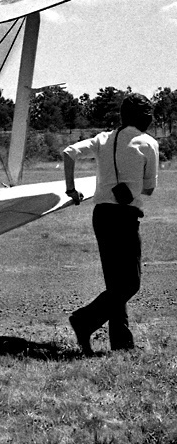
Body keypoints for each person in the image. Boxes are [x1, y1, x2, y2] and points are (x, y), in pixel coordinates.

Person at [62, 93, 159, 354]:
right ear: (144, 117)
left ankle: (122, 343)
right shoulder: (148, 144)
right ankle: (83, 321)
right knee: (130, 284)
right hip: (125, 217)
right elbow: (149, 190)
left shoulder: (103, 139)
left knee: (115, 284)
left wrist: (71, 189)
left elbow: (69, 153)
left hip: (101, 215)